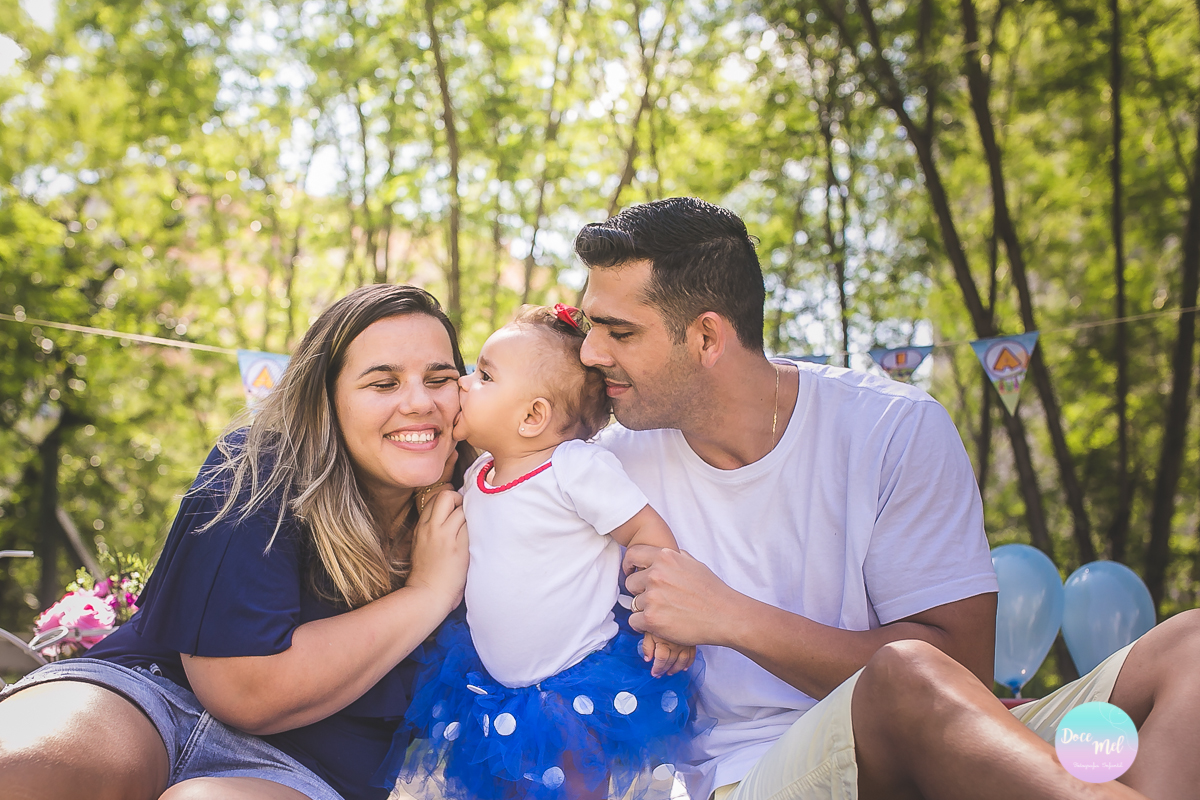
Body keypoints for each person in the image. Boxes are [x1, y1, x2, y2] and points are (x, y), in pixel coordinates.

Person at [574, 197, 1200, 800]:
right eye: (588, 327)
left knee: (1190, 645)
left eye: (619, 332)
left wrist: (732, 617)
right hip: (757, 769)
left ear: (708, 338)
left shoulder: (891, 427)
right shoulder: (599, 472)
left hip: (944, 728)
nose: (590, 353)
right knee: (904, 673)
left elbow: (963, 671)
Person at [0, 284, 475, 800]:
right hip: (149, 694)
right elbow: (243, 688)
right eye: (382, 384)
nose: (419, 402)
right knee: (28, 770)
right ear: (327, 400)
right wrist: (426, 594)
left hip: (305, 770)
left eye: (439, 379)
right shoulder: (257, 465)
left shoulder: (491, 504)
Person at [390, 304, 702, 800]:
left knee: (574, 784)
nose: (463, 384)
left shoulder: (572, 468)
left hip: (572, 685)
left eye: (484, 375)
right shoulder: (478, 475)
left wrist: (666, 617)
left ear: (533, 416)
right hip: (493, 687)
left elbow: (646, 532)